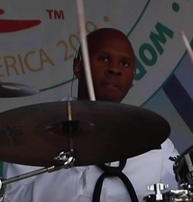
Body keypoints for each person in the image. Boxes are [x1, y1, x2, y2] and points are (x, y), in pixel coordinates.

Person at [2, 28, 179, 202]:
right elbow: (14, 197)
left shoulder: (157, 144)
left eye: (124, 64)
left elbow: (182, 193)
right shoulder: (33, 131)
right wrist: (81, 152)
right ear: (77, 66)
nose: (114, 69)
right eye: (104, 58)